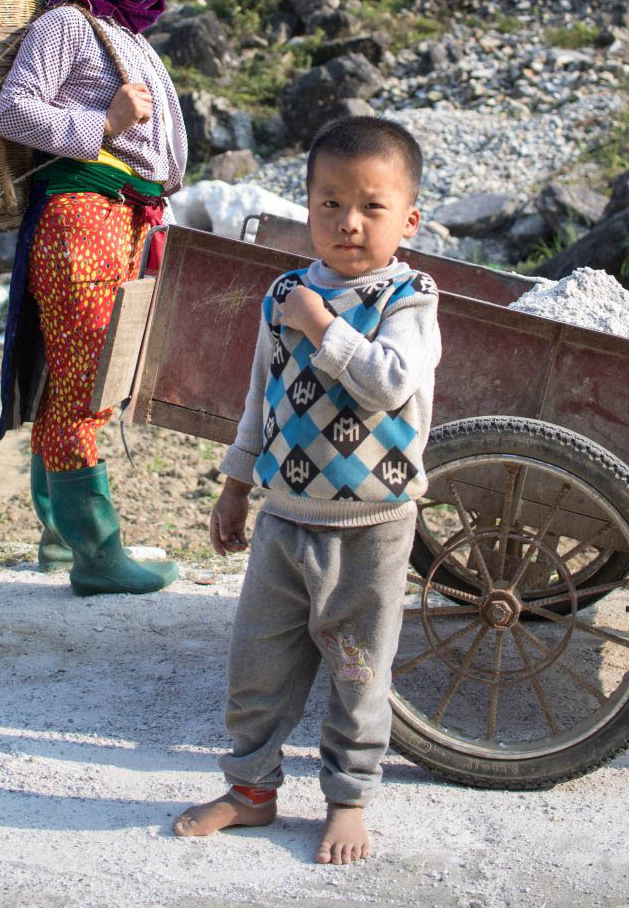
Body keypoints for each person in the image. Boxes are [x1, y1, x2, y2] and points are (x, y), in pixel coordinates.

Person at [173, 116, 441, 864]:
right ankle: (250, 790)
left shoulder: (409, 298)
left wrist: (323, 326)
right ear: (308, 207)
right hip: (284, 520)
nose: (348, 222)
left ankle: (348, 800)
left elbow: (389, 382)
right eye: (330, 203)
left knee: (358, 672)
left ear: (409, 220)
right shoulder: (284, 293)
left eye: (371, 206)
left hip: (372, 527)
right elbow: (260, 397)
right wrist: (235, 487)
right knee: (256, 665)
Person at [0, 0, 187, 597]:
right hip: (81, 217)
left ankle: (60, 536)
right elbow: (13, 110)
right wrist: (103, 121)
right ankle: (97, 554)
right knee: (88, 380)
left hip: (123, 219)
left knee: (78, 376)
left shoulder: (127, 37)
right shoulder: (67, 23)